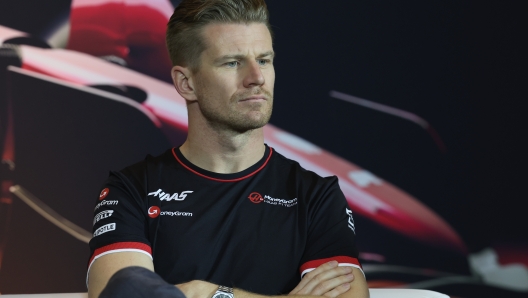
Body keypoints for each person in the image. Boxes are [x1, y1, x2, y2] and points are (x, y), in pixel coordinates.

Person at [87, 0, 369, 297]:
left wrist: (207, 292)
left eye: (263, 60)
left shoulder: (316, 196)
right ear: (186, 83)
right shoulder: (130, 189)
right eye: (232, 62)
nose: (256, 78)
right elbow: (125, 293)